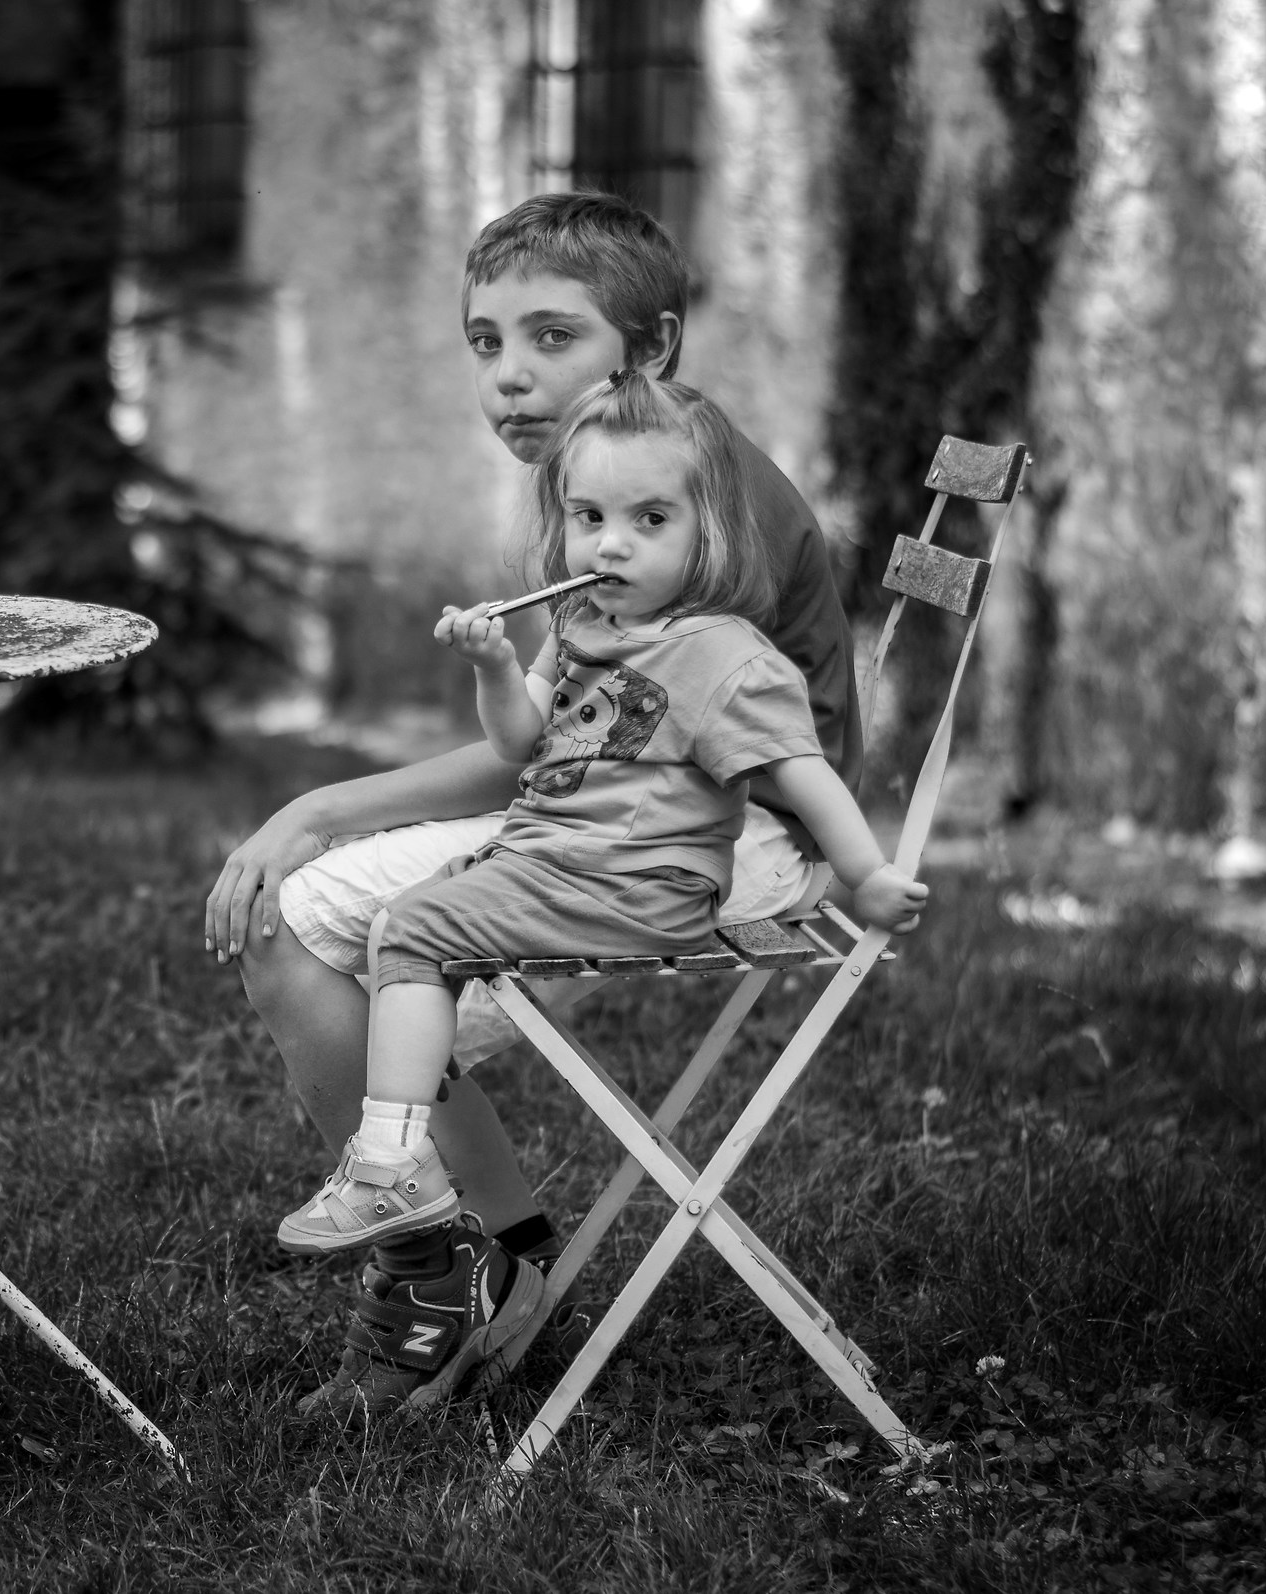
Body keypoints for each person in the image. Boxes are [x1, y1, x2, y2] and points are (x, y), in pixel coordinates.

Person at [203, 193, 868, 1415]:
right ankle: (486, 1248)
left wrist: (365, 836)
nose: (509, 377)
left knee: (345, 944)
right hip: (624, 798)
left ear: (651, 348)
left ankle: (437, 1266)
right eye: (486, 342)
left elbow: (623, 770)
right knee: (293, 918)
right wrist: (321, 809)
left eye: (552, 338)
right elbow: (546, 748)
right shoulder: (610, 487)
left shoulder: (693, 512)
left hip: (735, 830)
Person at [275, 370, 923, 1318]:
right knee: (406, 930)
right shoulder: (582, 626)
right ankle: (415, 1166)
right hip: (561, 858)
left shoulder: (723, 655)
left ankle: (389, 1168)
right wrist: (499, 666)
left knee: (413, 931)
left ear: (713, 532)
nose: (611, 543)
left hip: (644, 880)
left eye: (650, 520)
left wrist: (863, 876)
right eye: (589, 516)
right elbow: (516, 742)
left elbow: (805, 772)